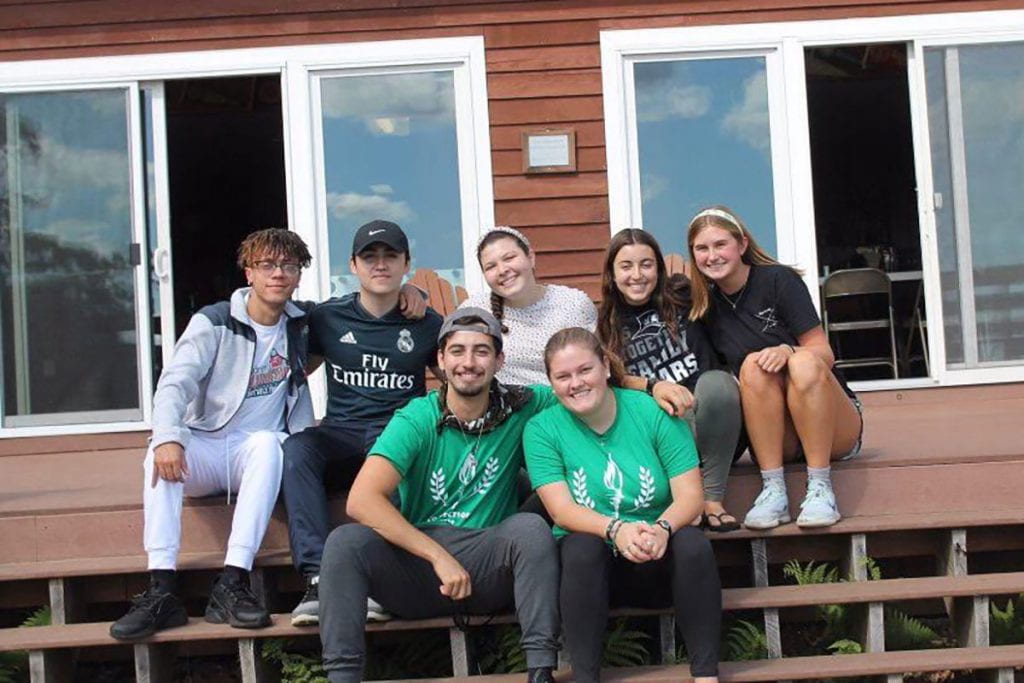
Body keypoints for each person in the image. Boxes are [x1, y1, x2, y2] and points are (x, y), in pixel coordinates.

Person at [317, 308, 560, 683]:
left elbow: (585, 385)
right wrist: (437, 556)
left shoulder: (523, 405)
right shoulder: (416, 418)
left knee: (529, 528)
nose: (469, 362)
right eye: (457, 351)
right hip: (418, 571)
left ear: (499, 360)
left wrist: (654, 388)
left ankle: (540, 671)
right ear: (441, 361)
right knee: (345, 542)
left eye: (481, 351)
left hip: (487, 563)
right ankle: (343, 678)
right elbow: (361, 501)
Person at [110, 228, 314, 641]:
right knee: (156, 455)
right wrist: (168, 435)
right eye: (267, 265)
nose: (278, 274)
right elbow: (175, 382)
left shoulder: (303, 323)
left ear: (297, 275)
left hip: (252, 455)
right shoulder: (215, 321)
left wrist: (409, 296)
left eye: (288, 266)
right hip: (206, 444)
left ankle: (232, 582)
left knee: (268, 444)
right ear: (249, 273)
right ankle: (161, 589)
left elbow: (361, 306)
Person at [523, 327, 721, 683]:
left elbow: (691, 496)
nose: (576, 383)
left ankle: (706, 674)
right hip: (594, 572)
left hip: (658, 557)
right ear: (551, 383)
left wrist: (661, 529)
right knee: (580, 545)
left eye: (585, 370)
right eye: (563, 376)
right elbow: (561, 510)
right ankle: (586, 677)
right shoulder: (542, 429)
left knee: (692, 543)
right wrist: (616, 529)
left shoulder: (652, 412)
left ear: (605, 366)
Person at [282, 219, 443, 626]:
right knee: (297, 450)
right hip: (342, 432)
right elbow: (287, 345)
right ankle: (318, 577)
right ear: (352, 265)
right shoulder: (327, 318)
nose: (380, 264)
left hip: (397, 435)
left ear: (407, 262)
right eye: (369, 256)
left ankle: (379, 580)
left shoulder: (426, 324)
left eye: (391, 256)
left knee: (396, 460)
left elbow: (457, 375)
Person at [687, 205, 864, 529]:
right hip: (778, 434)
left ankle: (821, 488)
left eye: (720, 244)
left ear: (741, 245)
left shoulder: (777, 279)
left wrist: (787, 350)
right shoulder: (705, 307)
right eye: (702, 248)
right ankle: (774, 492)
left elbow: (824, 353)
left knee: (804, 363)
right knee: (752, 367)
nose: (712, 255)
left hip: (832, 425)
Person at [597, 228, 743, 531]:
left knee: (718, 383)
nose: (637, 275)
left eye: (646, 264)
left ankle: (711, 499)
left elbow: (731, 304)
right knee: (654, 414)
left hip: (713, 420)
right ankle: (686, 503)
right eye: (626, 266)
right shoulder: (606, 323)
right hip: (662, 434)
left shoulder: (683, 298)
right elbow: (611, 378)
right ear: (612, 274)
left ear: (659, 269)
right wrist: (654, 385)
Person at [461, 226, 596, 385]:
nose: (502, 270)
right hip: (505, 407)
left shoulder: (573, 304)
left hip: (565, 404)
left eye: (509, 258)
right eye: (491, 266)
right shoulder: (474, 311)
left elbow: (594, 367)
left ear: (531, 257)